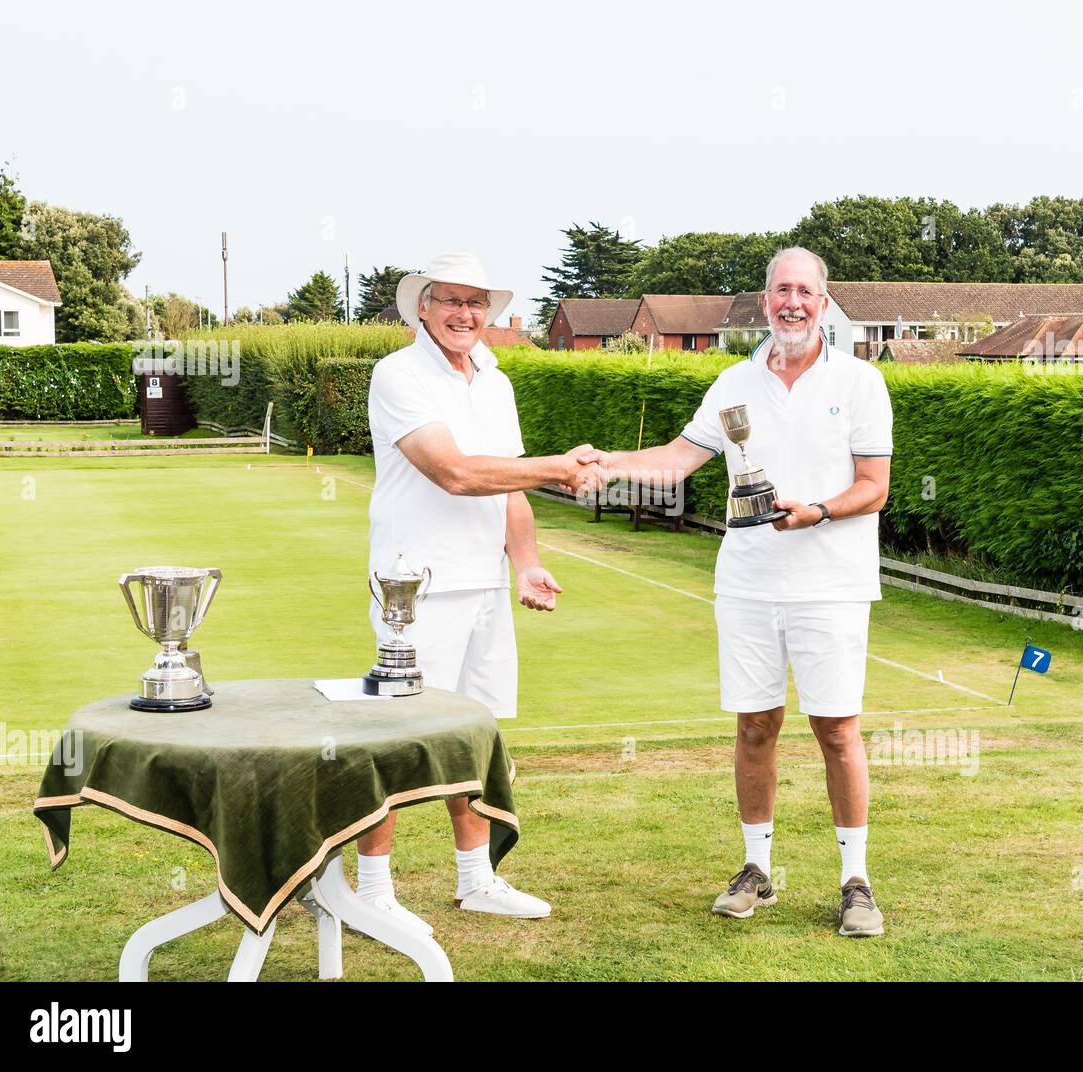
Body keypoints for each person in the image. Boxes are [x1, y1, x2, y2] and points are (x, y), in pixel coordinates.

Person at [595, 247, 893, 937]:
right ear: (765, 301)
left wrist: (815, 511)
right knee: (755, 726)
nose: (791, 302)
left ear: (823, 301)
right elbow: (677, 459)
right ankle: (757, 873)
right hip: (749, 583)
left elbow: (874, 488)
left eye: (804, 291)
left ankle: (856, 883)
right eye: (780, 290)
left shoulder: (860, 382)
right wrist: (605, 463)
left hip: (833, 584)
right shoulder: (731, 382)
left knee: (838, 731)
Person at [361, 252, 604, 929]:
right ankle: (372, 889)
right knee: (399, 740)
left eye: (476, 303)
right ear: (422, 306)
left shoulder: (495, 378)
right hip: (414, 587)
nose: (464, 314)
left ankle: (476, 879)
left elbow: (509, 483)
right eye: (450, 300)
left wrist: (524, 564)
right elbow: (457, 474)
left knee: (475, 736)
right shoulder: (398, 374)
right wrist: (560, 468)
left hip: (484, 584)